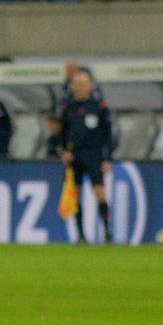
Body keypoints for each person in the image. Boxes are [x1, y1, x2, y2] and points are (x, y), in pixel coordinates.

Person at [59, 69, 113, 244]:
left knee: (99, 193)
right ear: (73, 86)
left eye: (84, 83)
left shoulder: (99, 106)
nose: (81, 87)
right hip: (75, 156)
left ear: (90, 85)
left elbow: (108, 134)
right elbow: (62, 132)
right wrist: (64, 151)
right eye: (78, 84)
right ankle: (81, 235)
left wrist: (107, 158)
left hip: (94, 155)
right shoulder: (67, 106)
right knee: (77, 194)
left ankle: (107, 233)